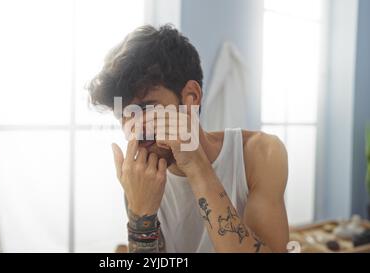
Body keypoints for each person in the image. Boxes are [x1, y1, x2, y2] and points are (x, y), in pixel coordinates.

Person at [87, 24, 289, 253]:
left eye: (145, 108)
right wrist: (141, 216)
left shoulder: (260, 153)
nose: (134, 129)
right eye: (124, 116)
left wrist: (195, 164)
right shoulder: (141, 179)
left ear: (191, 97)